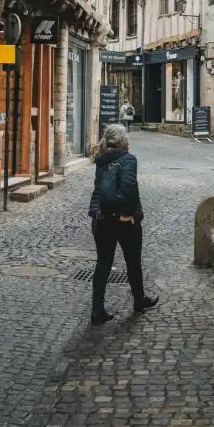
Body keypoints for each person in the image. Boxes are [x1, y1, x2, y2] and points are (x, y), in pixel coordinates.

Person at [88, 122, 159, 326]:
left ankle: (97, 311)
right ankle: (139, 300)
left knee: (103, 264)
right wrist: (127, 215)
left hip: (101, 218)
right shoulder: (128, 159)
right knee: (133, 261)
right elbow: (128, 189)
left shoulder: (100, 160)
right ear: (122, 141)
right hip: (123, 220)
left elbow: (100, 190)